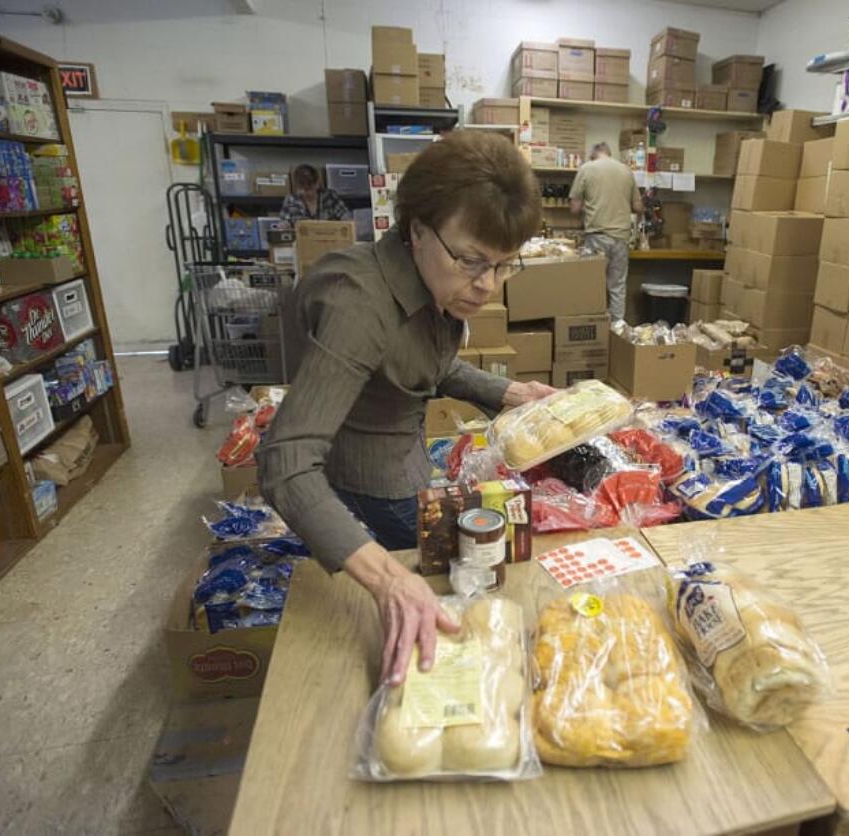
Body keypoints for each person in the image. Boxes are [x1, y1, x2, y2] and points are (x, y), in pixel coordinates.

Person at [258, 132, 553, 685]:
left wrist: (508, 394)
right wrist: (388, 580)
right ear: (416, 228)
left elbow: (419, 363)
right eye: (471, 260)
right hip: (366, 484)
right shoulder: (359, 305)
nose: (487, 285)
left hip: (405, 456)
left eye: (504, 265)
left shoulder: (430, 280)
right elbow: (285, 462)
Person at [569, 142, 644, 324]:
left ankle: (593, 329)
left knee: (592, 286)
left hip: (596, 237)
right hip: (621, 238)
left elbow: (574, 208)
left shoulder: (586, 169)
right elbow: (638, 206)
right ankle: (617, 329)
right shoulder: (626, 171)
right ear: (609, 154)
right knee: (617, 286)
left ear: (593, 155)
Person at [279, 163, 351, 223]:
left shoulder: (330, 196)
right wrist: (284, 226)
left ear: (317, 184)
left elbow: (345, 215)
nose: (304, 193)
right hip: (301, 238)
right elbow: (283, 221)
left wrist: (344, 222)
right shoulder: (290, 200)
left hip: (328, 237)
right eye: (301, 188)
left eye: (308, 189)